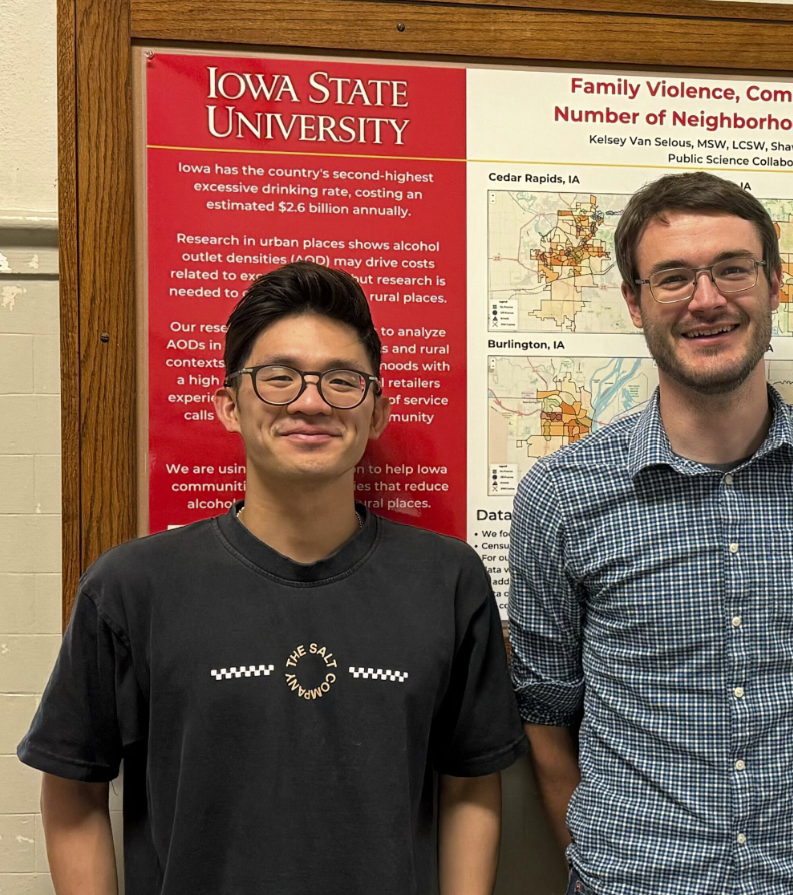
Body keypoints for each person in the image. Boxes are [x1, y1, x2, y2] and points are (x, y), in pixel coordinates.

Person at [20, 262, 527, 895]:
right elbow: (74, 786)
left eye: (342, 380)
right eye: (279, 377)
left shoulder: (447, 580)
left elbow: (470, 784)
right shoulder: (132, 586)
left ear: (376, 412)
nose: (311, 402)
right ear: (230, 406)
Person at [508, 172, 793, 895]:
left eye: (732, 269)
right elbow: (545, 708)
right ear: (634, 302)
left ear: (776, 283)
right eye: (673, 277)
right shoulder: (562, 495)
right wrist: (602, 856)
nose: (707, 299)